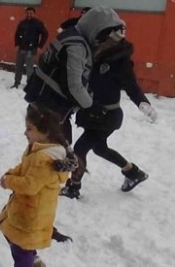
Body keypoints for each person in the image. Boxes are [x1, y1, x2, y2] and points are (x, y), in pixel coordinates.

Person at [61, 27, 156, 199]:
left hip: (107, 116)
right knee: (99, 148)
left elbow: (131, 86)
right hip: (93, 113)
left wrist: (143, 102)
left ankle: (73, 187)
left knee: (80, 148)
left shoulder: (120, 62)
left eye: (104, 39)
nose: (100, 42)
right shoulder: (95, 54)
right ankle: (133, 172)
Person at [25, 6, 126, 144]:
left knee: (51, 150)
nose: (101, 43)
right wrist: (91, 106)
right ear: (95, 29)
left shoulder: (72, 35)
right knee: (51, 152)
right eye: (102, 38)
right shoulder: (76, 46)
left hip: (45, 105)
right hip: (48, 109)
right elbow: (73, 85)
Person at [0, 103, 74, 267]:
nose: (25, 132)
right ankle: (33, 260)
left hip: (32, 214)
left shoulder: (44, 159)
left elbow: (30, 185)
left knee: (21, 249)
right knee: (13, 237)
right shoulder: (36, 149)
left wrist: (8, 181)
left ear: (45, 132)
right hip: (26, 210)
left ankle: (30, 262)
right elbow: (24, 166)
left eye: (29, 129)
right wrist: (11, 173)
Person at [13, 7, 48, 89]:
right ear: (26, 13)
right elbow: (17, 34)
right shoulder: (22, 23)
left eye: (31, 13)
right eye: (28, 13)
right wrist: (17, 45)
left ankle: (29, 85)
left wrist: (40, 46)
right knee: (18, 67)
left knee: (29, 69)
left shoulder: (38, 23)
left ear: (34, 14)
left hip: (31, 49)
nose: (29, 15)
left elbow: (45, 34)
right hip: (21, 48)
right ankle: (16, 83)